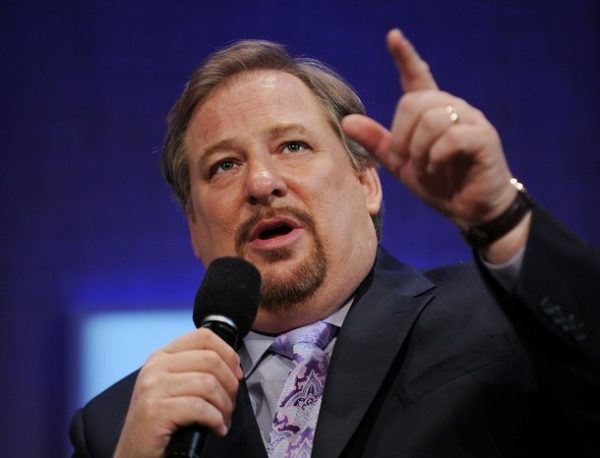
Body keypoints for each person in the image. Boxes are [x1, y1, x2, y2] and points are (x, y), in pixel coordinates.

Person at [69, 29, 600, 457]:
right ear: (193, 228)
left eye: (293, 145)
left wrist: (502, 218)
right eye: (225, 165)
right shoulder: (116, 426)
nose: (261, 183)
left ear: (366, 182)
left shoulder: (498, 316)